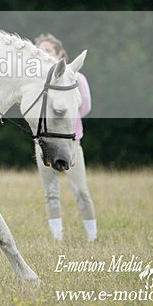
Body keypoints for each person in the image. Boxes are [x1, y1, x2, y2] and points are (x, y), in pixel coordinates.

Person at [34, 33, 97, 241]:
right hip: (44, 144)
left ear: (60, 54)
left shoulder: (77, 79)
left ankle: (92, 236)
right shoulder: (36, 83)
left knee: (81, 191)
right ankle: (57, 238)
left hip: (71, 143)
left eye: (49, 51)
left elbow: (85, 107)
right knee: (50, 193)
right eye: (40, 51)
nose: (45, 54)